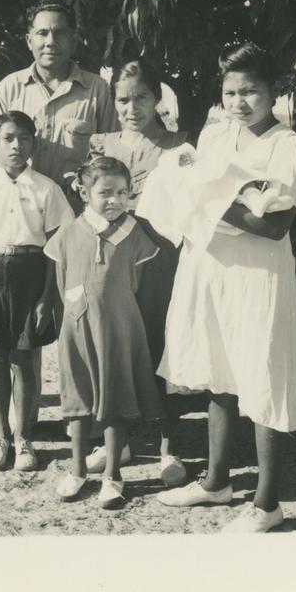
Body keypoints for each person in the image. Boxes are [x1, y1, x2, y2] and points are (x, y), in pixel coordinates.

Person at [153, 42, 296, 533]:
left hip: (259, 276)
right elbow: (186, 190)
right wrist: (200, 192)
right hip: (213, 269)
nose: (240, 102)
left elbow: (274, 226)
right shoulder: (218, 138)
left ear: (274, 92)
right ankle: (216, 482)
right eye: (230, 92)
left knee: (263, 377)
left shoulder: (287, 146)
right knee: (219, 374)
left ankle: (267, 505)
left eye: (251, 92)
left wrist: (208, 197)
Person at [0, 0, 118, 431]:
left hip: (79, 227)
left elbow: (111, 156)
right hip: (25, 233)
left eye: (59, 32)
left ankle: (92, 419)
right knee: (27, 329)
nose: (50, 40)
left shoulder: (97, 89)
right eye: (41, 32)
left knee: (84, 317)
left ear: (75, 39)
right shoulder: (9, 88)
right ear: (28, 39)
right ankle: (25, 424)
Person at [86, 59, 190, 488]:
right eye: (124, 99)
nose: (132, 108)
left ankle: (171, 445)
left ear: (157, 98)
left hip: (161, 261)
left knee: (161, 348)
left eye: (142, 97)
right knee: (114, 350)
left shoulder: (179, 148)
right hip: (112, 262)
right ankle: (118, 443)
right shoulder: (102, 144)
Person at [0, 111, 73, 472]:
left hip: (30, 274)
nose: (16, 146)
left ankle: (24, 439)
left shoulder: (45, 188)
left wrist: (46, 299)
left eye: (23, 138)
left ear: (33, 143)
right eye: (7, 138)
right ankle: (0, 436)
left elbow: (55, 249)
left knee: (24, 360)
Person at [44, 156, 164, 509]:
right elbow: (61, 281)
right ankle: (78, 469)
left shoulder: (135, 235)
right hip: (77, 329)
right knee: (78, 398)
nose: (114, 200)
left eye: (123, 193)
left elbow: (138, 284)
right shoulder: (68, 233)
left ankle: (113, 474)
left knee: (116, 398)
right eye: (105, 192)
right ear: (84, 192)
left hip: (118, 330)